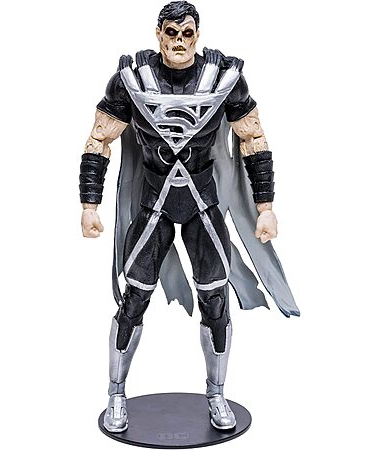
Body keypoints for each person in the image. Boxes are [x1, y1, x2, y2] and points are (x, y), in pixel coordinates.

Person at [79, 0, 299, 433]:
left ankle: (216, 394)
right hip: (154, 203)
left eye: (187, 34)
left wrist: (266, 207)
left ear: (198, 35)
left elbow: (254, 138)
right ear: (158, 34)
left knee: (215, 299)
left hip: (203, 203)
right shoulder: (132, 80)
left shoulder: (223, 79)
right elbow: (98, 140)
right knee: (134, 299)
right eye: (171, 33)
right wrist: (89, 204)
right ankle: (116, 393)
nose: (179, 42)